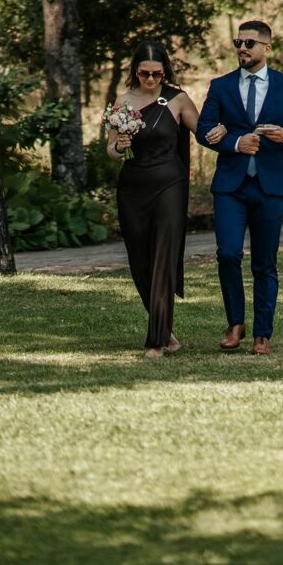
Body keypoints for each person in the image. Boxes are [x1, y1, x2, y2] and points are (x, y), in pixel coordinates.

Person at [195, 20, 283, 356]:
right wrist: (233, 142)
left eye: (249, 43)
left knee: (265, 262)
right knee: (228, 254)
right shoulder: (221, 86)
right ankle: (235, 324)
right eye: (238, 42)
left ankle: (263, 333)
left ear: (266, 47)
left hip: (270, 186)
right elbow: (203, 129)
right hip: (230, 187)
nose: (242, 48)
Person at [107, 41, 198, 358]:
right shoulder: (123, 101)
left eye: (156, 73)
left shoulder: (178, 99)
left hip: (170, 184)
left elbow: (205, 130)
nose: (150, 79)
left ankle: (156, 341)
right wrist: (119, 144)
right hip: (133, 187)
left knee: (162, 256)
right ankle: (166, 331)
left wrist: (232, 136)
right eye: (144, 73)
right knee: (140, 260)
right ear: (135, 71)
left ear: (164, 72)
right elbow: (111, 150)